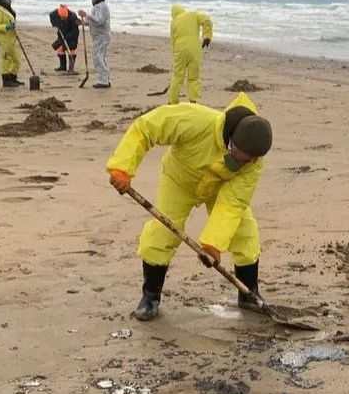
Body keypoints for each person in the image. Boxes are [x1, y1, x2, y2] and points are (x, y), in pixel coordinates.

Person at [105, 93, 273, 321]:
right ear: (232, 142)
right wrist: (122, 168)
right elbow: (145, 128)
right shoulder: (195, 120)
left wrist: (213, 244)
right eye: (246, 158)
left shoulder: (254, 160)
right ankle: (150, 297)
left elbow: (233, 203)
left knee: (244, 231)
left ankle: (248, 293)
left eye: (254, 159)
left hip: (220, 188)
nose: (250, 163)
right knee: (162, 234)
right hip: (179, 180)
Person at [168, 4, 213, 105]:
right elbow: (207, 20)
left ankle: (172, 101)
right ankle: (193, 100)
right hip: (194, 50)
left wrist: (175, 55)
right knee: (194, 77)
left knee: (177, 76)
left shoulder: (174, 22)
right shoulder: (193, 15)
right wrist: (207, 36)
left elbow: (173, 41)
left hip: (180, 51)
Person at [78, 0, 111, 88]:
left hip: (102, 36)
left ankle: (104, 81)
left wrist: (86, 15)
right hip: (98, 36)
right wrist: (83, 22)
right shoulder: (97, 7)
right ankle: (104, 79)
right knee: (99, 57)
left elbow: (99, 21)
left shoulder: (102, 6)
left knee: (98, 57)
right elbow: (95, 22)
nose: (91, 0)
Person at [49, 4, 80, 73]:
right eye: (62, 17)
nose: (63, 19)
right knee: (60, 49)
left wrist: (67, 37)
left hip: (72, 35)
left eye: (65, 18)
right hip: (61, 33)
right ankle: (62, 66)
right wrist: (54, 24)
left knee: (72, 50)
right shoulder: (55, 13)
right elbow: (51, 15)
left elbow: (74, 31)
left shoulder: (73, 16)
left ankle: (71, 68)